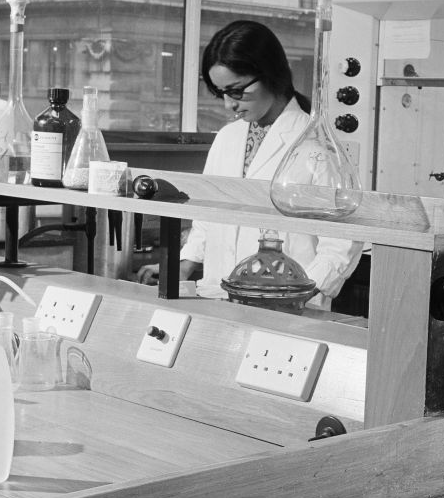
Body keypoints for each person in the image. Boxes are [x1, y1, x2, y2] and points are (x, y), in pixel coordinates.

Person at [137, 20, 362, 308]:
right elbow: (208, 215)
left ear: (269, 74)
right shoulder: (227, 138)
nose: (228, 105)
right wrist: (182, 264)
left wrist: (306, 290)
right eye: (221, 94)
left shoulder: (315, 144)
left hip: (286, 307)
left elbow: (342, 240)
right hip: (218, 296)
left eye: (236, 91)